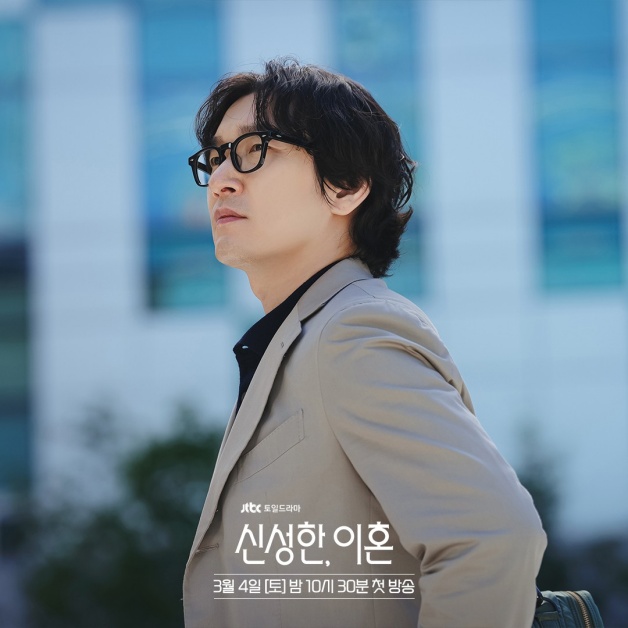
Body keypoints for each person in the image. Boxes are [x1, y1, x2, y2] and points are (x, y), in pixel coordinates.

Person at [183, 58, 546, 628]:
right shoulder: (304, 337)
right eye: (215, 157)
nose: (223, 178)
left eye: (254, 150)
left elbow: (493, 539)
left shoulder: (353, 334)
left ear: (345, 186)